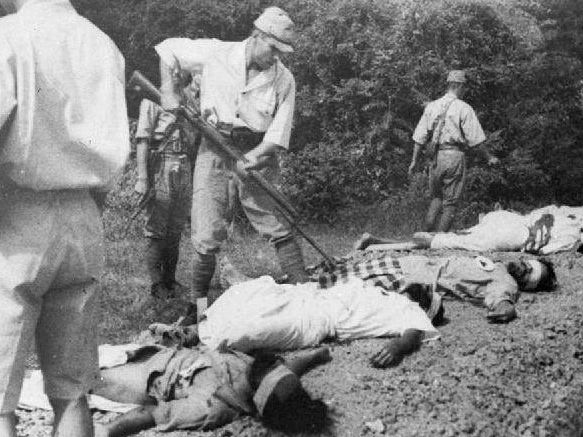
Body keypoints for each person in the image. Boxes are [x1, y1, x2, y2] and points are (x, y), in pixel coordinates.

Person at [0, 0, 131, 435]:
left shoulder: (9, 37)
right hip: (86, 212)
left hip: (19, 212)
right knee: (72, 393)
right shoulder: (102, 43)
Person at [155, 7, 307, 318]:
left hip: (256, 154)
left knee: (276, 221)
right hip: (213, 147)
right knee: (206, 231)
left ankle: (304, 292)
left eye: (282, 51)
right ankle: (196, 308)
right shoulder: (217, 53)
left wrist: (257, 156)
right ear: (257, 36)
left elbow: (279, 131)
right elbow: (167, 49)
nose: (276, 57)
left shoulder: (284, 79)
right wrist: (169, 90)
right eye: (272, 48)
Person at [149, 277, 442, 369]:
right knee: (248, 289)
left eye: (426, 293)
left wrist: (398, 347)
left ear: (426, 306)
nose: (420, 289)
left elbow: (412, 334)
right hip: (307, 295)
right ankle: (190, 331)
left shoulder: (409, 309)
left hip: (317, 320)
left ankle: (191, 351)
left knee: (249, 331)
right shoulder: (380, 290)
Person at [93, 345, 330, 436]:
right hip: (175, 353)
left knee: (85, 379)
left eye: (270, 370)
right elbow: (292, 366)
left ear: (257, 400)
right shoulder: (260, 374)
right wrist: (316, 355)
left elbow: (151, 413)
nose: (273, 364)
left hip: (153, 375)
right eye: (274, 365)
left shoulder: (210, 407)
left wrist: (107, 431)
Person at [315, 255, 557, 324]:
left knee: (335, 289)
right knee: (337, 274)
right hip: (410, 263)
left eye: (527, 273)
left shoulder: (507, 282)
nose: (522, 267)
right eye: (527, 264)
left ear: (525, 285)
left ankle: (297, 293)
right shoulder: (500, 263)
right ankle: (293, 284)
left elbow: (501, 296)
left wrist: (505, 307)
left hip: (412, 278)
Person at [409, 70, 499, 232]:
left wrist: (414, 161)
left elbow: (419, 137)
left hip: (435, 158)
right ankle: (440, 239)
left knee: (436, 198)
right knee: (450, 202)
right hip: (454, 156)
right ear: (459, 86)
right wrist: (489, 157)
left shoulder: (432, 106)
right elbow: (476, 140)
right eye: (464, 87)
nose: (465, 91)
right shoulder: (463, 108)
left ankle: (424, 234)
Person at [133, 82, 198, 299]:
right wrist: (142, 178)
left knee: (176, 228)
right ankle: (157, 285)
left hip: (185, 164)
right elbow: (142, 140)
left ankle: (170, 280)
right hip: (162, 163)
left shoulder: (190, 98)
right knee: (156, 229)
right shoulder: (153, 97)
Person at [353, 209, 583, 255]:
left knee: (460, 237)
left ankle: (376, 241)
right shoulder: (573, 240)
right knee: (440, 243)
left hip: (509, 221)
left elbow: (545, 216)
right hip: (512, 237)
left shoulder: (572, 222)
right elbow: (541, 250)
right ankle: (377, 244)